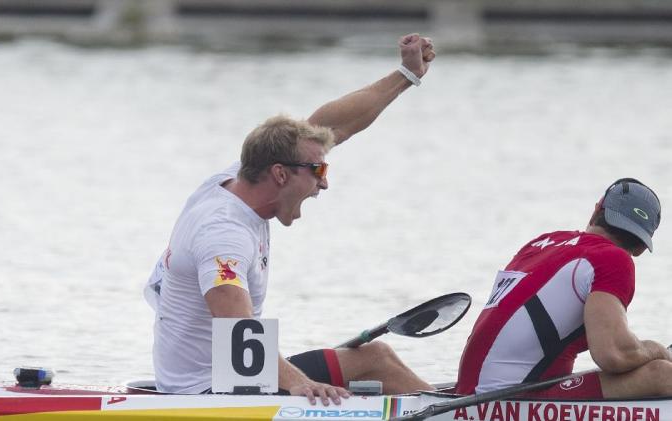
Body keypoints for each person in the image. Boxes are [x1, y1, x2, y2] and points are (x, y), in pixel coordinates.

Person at [144, 34, 436, 405]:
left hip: (229, 374)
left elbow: (331, 126)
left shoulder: (242, 178)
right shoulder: (223, 233)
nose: (324, 182)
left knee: (377, 358)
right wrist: (298, 383)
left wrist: (405, 75)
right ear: (280, 174)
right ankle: (468, 414)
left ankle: (450, 407)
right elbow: (236, 326)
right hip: (207, 392)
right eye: (317, 170)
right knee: (377, 362)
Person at [456, 178, 672, 399]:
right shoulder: (612, 259)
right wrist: (657, 351)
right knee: (663, 374)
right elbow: (612, 354)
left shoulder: (542, 243)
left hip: (470, 389)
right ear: (641, 248)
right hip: (507, 398)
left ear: (597, 209)